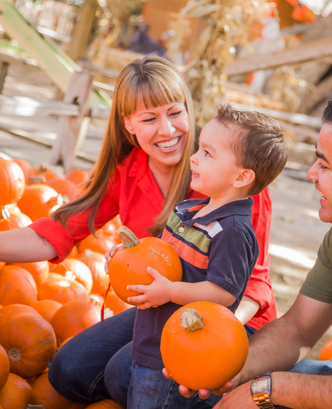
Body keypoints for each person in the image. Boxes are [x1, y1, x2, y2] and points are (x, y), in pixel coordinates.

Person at [0, 56, 275, 406]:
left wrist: (211, 345)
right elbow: (51, 234)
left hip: (227, 320)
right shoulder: (128, 172)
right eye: (149, 118)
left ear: (188, 110)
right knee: (69, 371)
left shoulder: (231, 177)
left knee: (123, 373)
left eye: (175, 113)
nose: (167, 130)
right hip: (162, 306)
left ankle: (230, 398)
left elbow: (253, 285)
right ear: (129, 124)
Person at [170, 93, 332, 409]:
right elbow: (298, 328)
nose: (311, 174)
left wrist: (270, 388)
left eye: (325, 165)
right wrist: (229, 371)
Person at [104, 104, 287, 409]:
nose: (193, 158)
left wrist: (171, 291)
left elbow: (223, 293)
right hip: (153, 334)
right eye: (199, 149)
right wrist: (130, 255)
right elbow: (166, 257)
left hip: (179, 349)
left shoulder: (232, 232)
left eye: (207, 154)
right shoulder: (189, 210)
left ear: (242, 177)